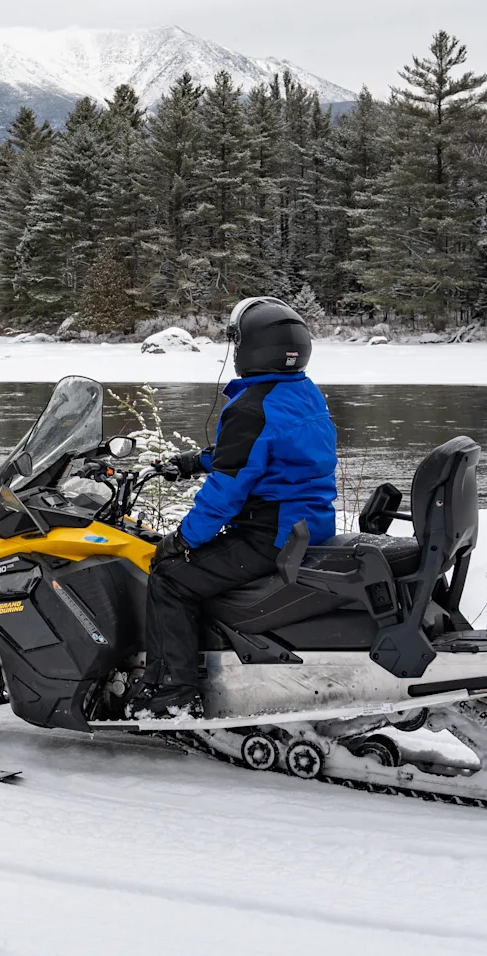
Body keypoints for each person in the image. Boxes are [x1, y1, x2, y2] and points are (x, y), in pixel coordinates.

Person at [135, 297, 338, 718]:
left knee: (170, 577)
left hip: (270, 536)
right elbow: (267, 453)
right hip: (307, 524)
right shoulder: (300, 391)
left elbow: (225, 494)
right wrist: (196, 461)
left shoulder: (251, 407)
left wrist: (182, 540)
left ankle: (174, 693)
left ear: (251, 348)